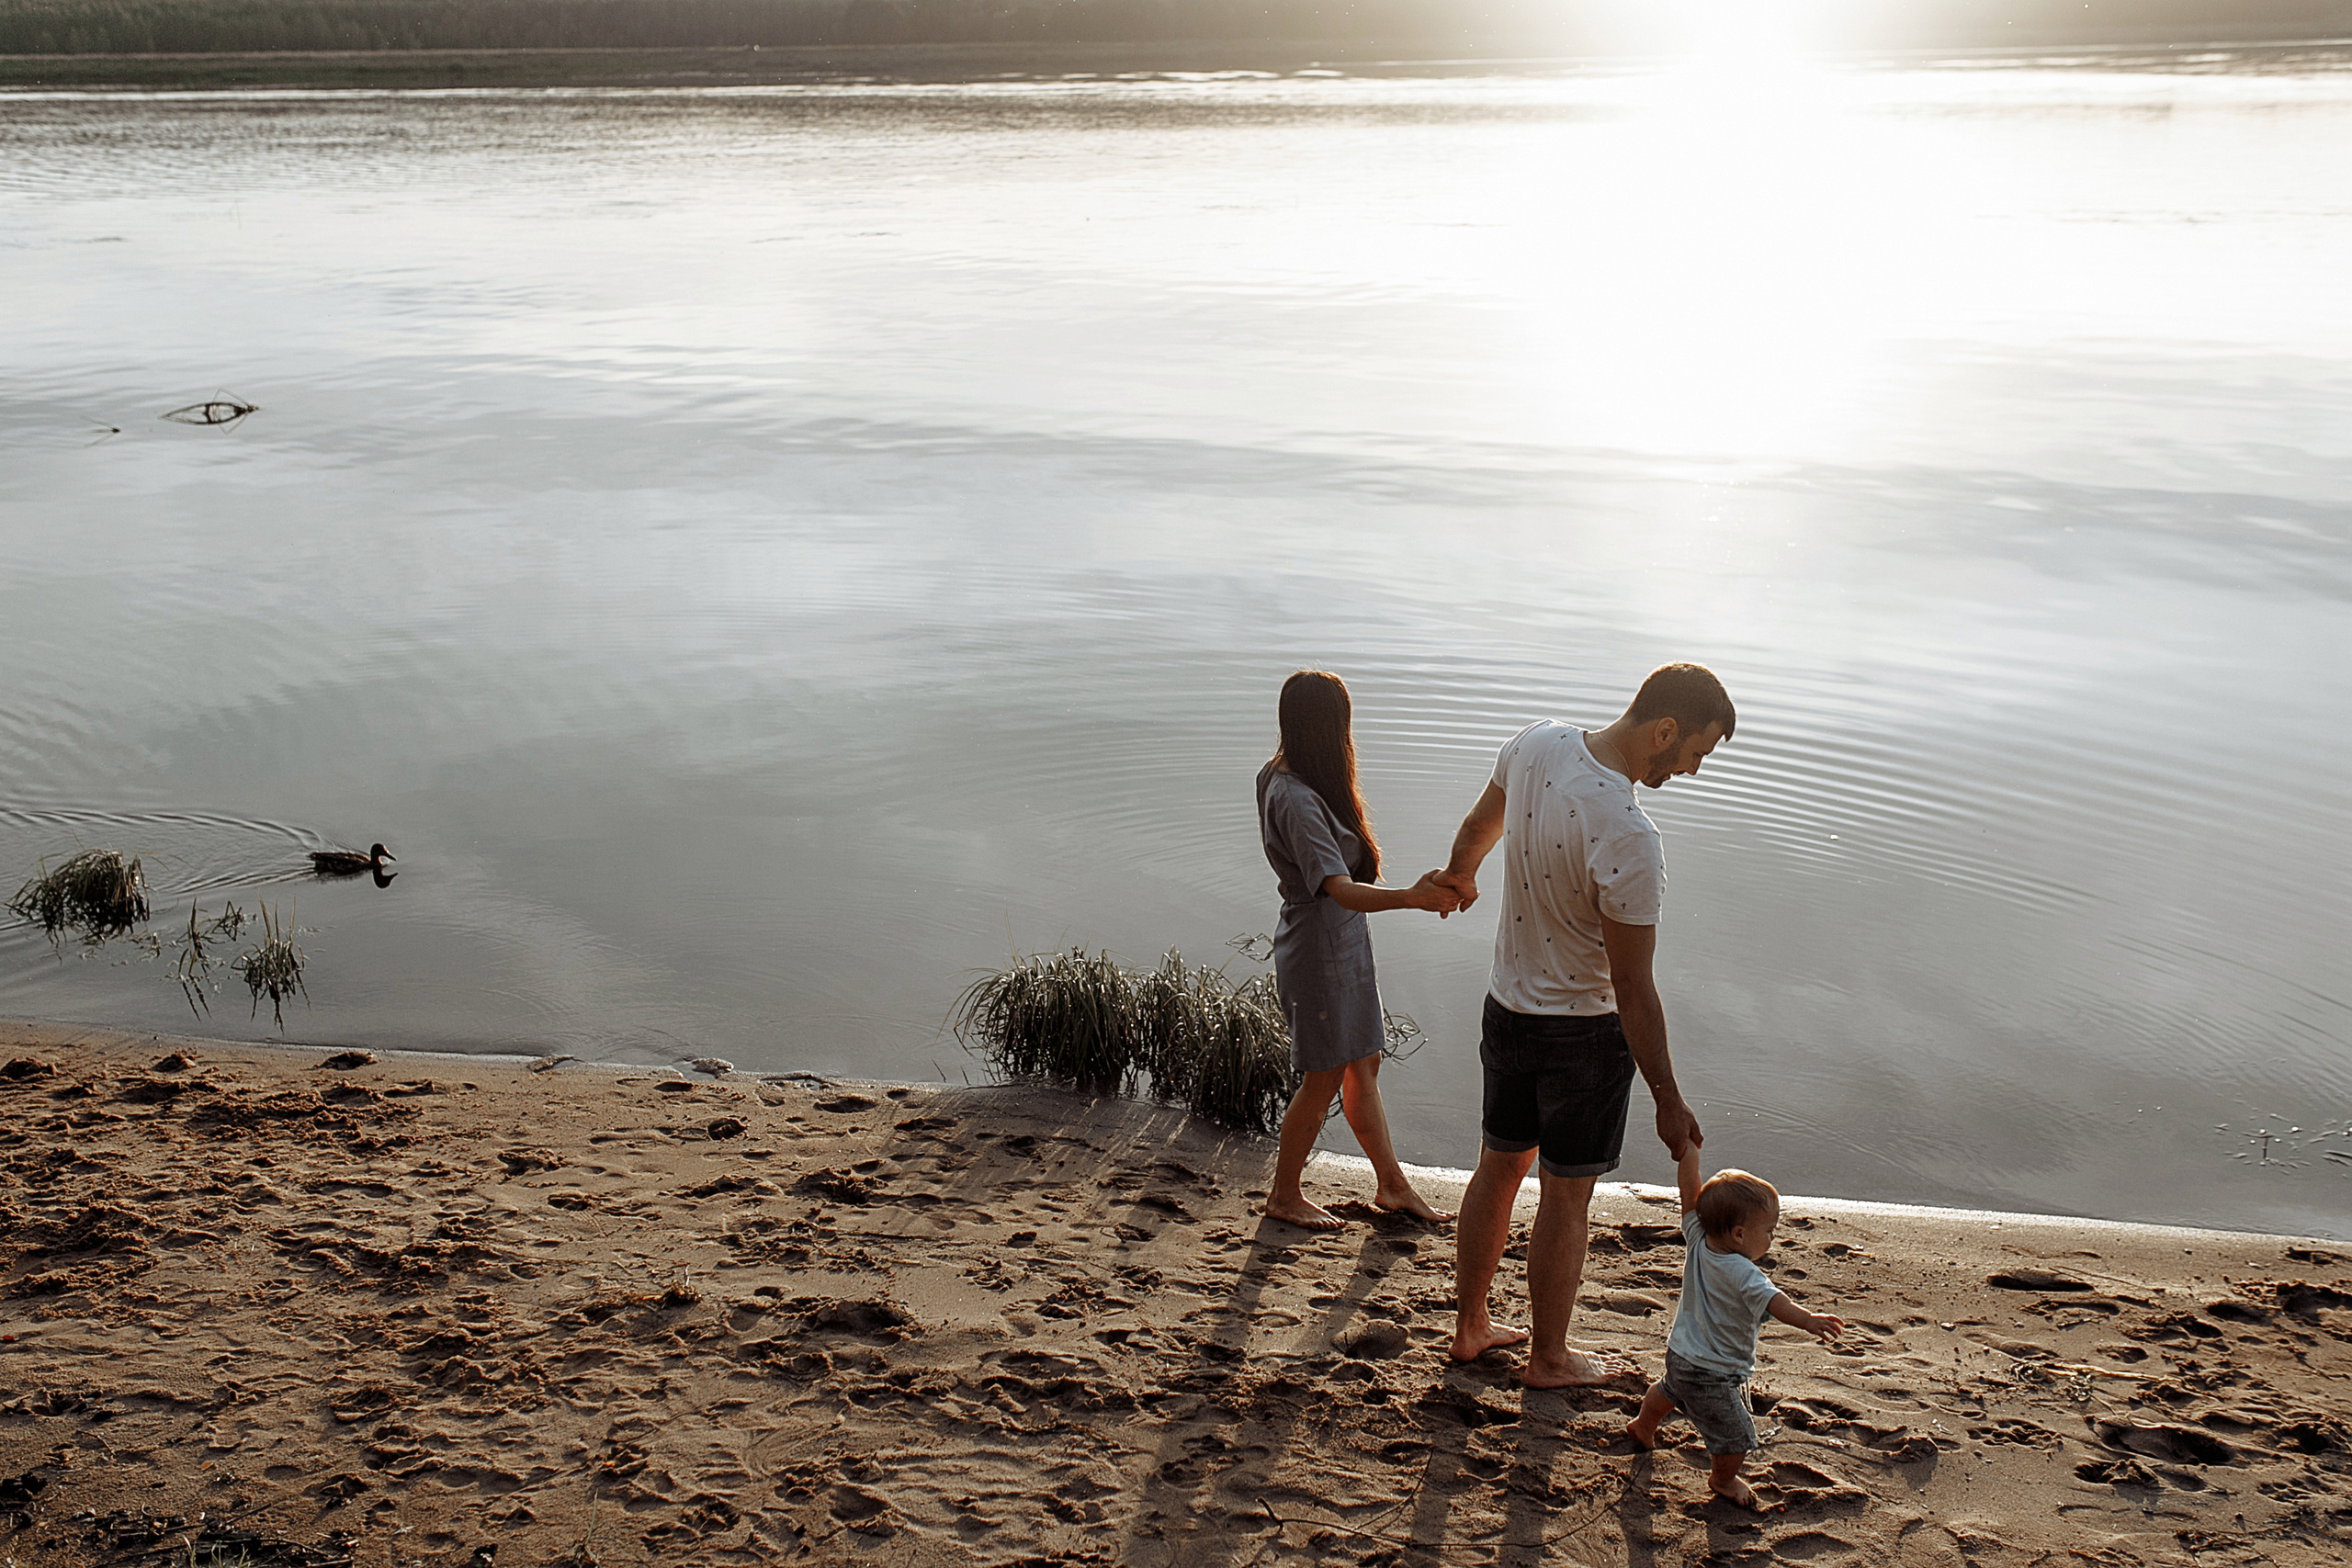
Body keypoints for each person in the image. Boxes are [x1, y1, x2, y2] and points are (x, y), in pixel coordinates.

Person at [1432, 662, 1733, 1386]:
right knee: (1566, 1195)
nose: (1690, 770)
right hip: (1583, 1036)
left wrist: (1459, 875)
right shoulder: (1629, 834)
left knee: (1498, 1167)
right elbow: (1632, 987)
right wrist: (1667, 1093)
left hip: (1507, 1007)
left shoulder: (1537, 742)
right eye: (1694, 752)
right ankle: (1549, 1356)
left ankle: (1470, 1325)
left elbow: (1478, 827)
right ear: (1664, 729)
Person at [1255, 670, 1458, 1230]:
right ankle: (1284, 1194)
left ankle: (1391, 1185)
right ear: (1329, 728)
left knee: (1363, 1059)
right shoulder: (1294, 796)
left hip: (1341, 937)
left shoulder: (1289, 775)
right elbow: (1338, 888)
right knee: (1322, 1074)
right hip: (1320, 943)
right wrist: (1415, 898)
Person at [1623, 1149, 1845, 1508]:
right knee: (1737, 1436)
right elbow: (1778, 1303)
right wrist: (1809, 1321)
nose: (1772, 1239)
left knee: (1668, 1389)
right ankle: (1722, 1479)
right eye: (1769, 1231)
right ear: (1740, 1235)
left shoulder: (1697, 1238)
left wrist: (1689, 1150)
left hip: (1679, 1354)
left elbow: (1688, 1191)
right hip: (1713, 1370)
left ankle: (1643, 1426)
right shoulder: (1745, 1274)